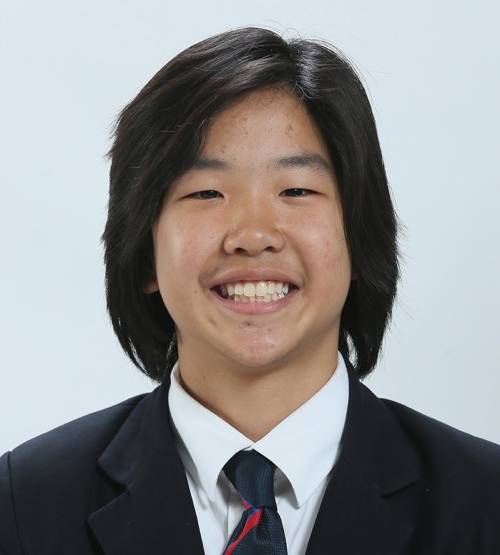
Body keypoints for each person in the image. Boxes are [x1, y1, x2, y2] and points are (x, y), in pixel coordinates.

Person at [1, 26, 499, 555]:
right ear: (144, 253)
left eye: (296, 190)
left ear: (359, 237)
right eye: (206, 193)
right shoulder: (25, 506)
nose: (253, 235)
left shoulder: (484, 502)